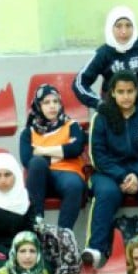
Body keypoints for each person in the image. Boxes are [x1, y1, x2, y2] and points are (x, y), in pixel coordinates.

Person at [83, 70, 138, 268]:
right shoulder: (101, 117)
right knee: (106, 194)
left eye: (130, 91)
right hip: (110, 172)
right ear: (113, 93)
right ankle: (95, 249)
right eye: (121, 92)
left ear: (137, 91)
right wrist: (123, 175)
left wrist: (137, 174)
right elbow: (98, 156)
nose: (126, 96)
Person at [73, 5, 138, 110]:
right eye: (118, 26)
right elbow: (79, 83)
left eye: (128, 25)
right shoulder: (104, 52)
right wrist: (98, 103)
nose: (124, 31)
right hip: (113, 107)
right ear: (110, 28)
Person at [19, 84, 86, 230]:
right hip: (41, 180)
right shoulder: (28, 132)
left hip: (68, 174)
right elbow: (27, 160)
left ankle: (63, 235)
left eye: (56, 101)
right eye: (46, 102)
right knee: (36, 163)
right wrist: (62, 154)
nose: (52, 106)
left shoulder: (72, 125)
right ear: (38, 106)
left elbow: (75, 149)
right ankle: (36, 222)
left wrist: (42, 150)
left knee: (73, 184)